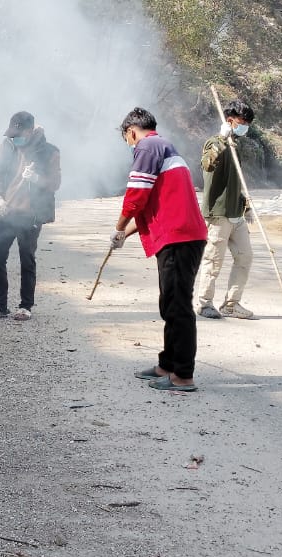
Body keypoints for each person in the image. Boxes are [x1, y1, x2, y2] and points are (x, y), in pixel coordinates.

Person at [111, 107, 208, 392]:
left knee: (178, 306)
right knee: (169, 302)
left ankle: (183, 376)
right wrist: (125, 236)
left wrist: (118, 226)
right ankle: (167, 364)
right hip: (179, 235)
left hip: (179, 237)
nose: (130, 145)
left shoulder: (147, 146)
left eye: (127, 139)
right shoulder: (164, 147)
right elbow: (156, 202)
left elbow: (136, 197)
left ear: (131, 132)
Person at [0, 111, 61, 321]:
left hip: (30, 216)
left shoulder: (48, 152)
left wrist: (36, 178)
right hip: (5, 212)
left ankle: (26, 306)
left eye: (18, 134)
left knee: (27, 260)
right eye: (12, 134)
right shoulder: (7, 146)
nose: (14, 138)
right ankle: (0, 305)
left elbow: (55, 183)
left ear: (29, 130)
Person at [195, 99, 256, 320]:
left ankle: (231, 303)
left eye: (247, 123)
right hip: (218, 214)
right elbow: (207, 164)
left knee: (245, 257)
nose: (245, 127)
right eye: (241, 122)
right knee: (213, 260)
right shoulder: (215, 143)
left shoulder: (235, 146)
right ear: (229, 121)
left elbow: (236, 182)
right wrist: (222, 138)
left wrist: (245, 206)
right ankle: (205, 303)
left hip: (235, 213)